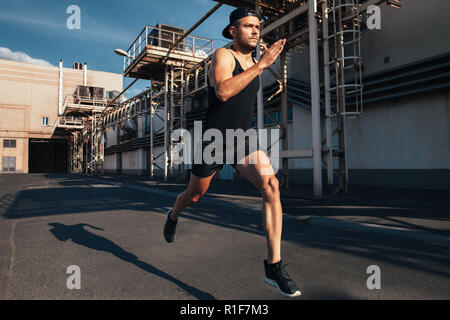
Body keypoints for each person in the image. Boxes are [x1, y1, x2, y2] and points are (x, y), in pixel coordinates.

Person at [164, 7, 301, 297]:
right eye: (248, 25)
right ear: (232, 31)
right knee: (195, 196)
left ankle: (273, 266)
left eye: (258, 26)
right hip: (212, 140)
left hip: (242, 139)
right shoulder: (223, 56)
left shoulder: (256, 58)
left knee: (271, 185)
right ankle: (174, 213)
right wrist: (260, 65)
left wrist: (263, 61)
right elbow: (224, 91)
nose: (255, 30)